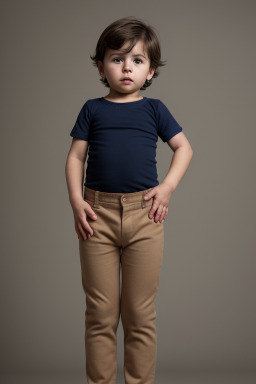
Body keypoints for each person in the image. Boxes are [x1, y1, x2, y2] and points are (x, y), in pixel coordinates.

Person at [65, 16, 193, 384]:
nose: (126, 67)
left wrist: (166, 188)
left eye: (137, 60)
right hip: (96, 216)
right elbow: (76, 157)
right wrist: (77, 201)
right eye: (117, 59)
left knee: (139, 314)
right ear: (102, 67)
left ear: (150, 71)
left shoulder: (155, 110)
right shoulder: (92, 109)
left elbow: (184, 148)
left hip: (145, 217)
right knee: (100, 313)